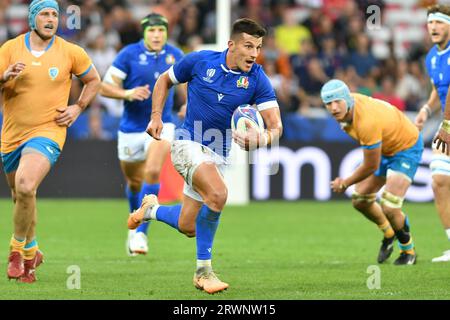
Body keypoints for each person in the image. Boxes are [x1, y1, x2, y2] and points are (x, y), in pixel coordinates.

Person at [128, 18, 283, 294]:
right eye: (248, 46)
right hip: (187, 144)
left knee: (189, 225)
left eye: (258, 47)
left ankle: (150, 209)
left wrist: (260, 138)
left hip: (217, 154)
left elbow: (275, 127)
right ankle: (204, 272)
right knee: (219, 194)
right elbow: (164, 80)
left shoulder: (257, 78)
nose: (253, 54)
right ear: (231, 44)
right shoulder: (200, 62)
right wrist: (155, 117)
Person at [0, 0, 100, 283]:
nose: (50, 19)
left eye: (55, 15)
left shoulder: (70, 52)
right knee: (21, 196)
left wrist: (78, 107)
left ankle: (17, 250)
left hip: (49, 131)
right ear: (33, 19)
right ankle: (33, 252)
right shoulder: (10, 49)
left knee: (25, 185)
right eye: (44, 14)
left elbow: (94, 80)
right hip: (11, 135)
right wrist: (4, 77)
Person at [100, 13, 185, 256]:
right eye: (152, 31)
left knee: (153, 170)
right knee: (135, 182)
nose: (157, 35)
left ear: (167, 32)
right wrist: (127, 94)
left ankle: (140, 235)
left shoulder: (175, 55)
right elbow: (104, 87)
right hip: (130, 130)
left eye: (161, 30)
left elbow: (189, 83)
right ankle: (134, 220)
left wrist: (187, 103)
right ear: (144, 33)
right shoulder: (128, 54)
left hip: (161, 124)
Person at [321, 79, 423, 265]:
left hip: (406, 148)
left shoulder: (365, 121)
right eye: (328, 103)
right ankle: (389, 232)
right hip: (386, 147)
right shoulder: (346, 112)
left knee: (390, 206)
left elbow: (370, 165)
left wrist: (345, 182)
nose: (334, 107)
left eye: (337, 101)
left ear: (347, 98)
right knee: (360, 200)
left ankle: (409, 252)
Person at [414, 4, 450, 262]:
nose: (434, 27)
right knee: (438, 181)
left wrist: (446, 125)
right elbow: (440, 89)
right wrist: (427, 109)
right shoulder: (432, 57)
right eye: (430, 23)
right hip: (447, 123)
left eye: (439, 22)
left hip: (448, 124)